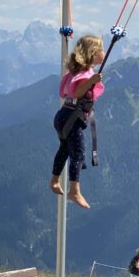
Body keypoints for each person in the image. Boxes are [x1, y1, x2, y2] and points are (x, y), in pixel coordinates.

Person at [50, 35, 105, 209]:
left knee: (64, 149)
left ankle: (54, 181)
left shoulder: (73, 73)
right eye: (101, 50)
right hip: (72, 119)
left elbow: (63, 92)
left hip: (63, 116)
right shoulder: (85, 75)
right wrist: (91, 81)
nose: (103, 53)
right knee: (78, 153)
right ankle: (74, 190)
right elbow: (77, 92)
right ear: (93, 54)